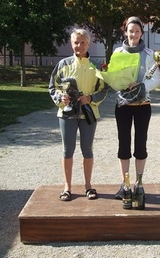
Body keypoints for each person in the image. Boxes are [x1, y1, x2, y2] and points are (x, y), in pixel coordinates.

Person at [49, 29, 108, 201]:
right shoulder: (63, 64)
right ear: (71, 43)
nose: (79, 46)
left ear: (88, 44)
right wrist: (61, 98)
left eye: (83, 42)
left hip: (88, 113)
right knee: (68, 151)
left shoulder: (97, 66)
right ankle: (67, 187)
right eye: (76, 42)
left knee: (87, 150)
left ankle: (88, 186)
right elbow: (52, 86)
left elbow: (104, 89)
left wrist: (90, 98)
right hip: (67, 114)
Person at [111, 16, 160, 199]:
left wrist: (141, 86)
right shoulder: (118, 52)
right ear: (125, 31)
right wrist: (120, 83)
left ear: (142, 33)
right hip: (123, 104)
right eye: (130, 31)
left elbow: (157, 78)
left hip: (143, 105)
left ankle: (139, 184)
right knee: (123, 144)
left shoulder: (149, 54)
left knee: (141, 145)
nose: (134, 34)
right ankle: (125, 184)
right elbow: (113, 77)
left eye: (137, 31)